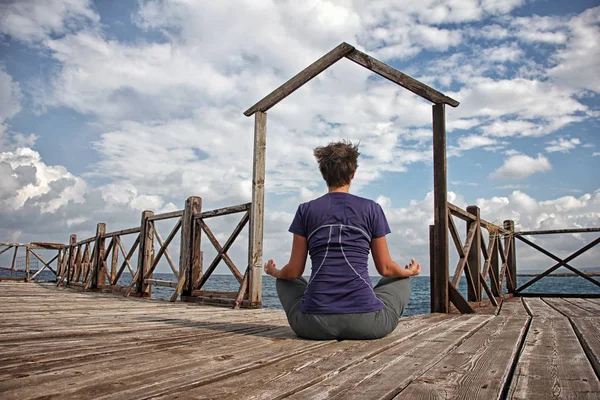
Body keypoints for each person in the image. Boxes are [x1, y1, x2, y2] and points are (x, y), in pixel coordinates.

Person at [264, 140, 421, 340]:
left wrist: (274, 272)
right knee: (399, 278)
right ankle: (371, 299)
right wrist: (410, 271)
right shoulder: (372, 209)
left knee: (284, 280)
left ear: (323, 175)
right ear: (353, 174)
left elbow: (294, 271)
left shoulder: (305, 210)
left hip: (312, 325)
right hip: (368, 324)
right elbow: (386, 269)